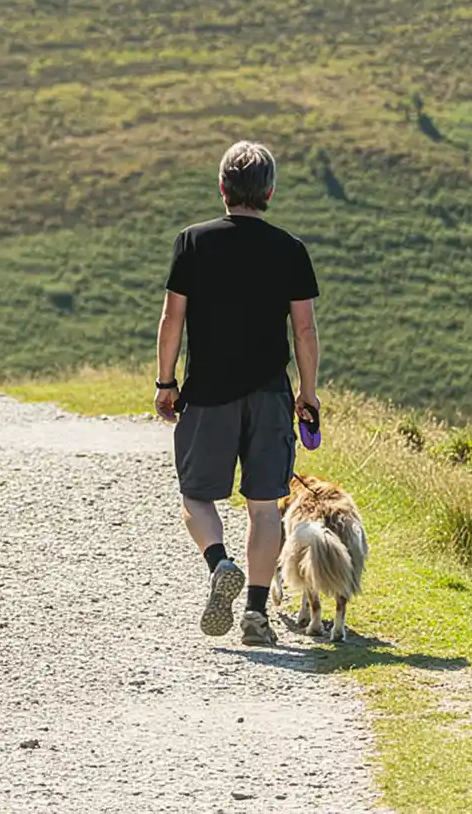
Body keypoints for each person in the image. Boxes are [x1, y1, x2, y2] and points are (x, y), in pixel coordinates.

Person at [153, 140, 322, 646]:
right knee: (264, 507)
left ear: (222, 187)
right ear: (269, 190)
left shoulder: (193, 242)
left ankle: (218, 561)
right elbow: (305, 332)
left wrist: (166, 383)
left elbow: (172, 319)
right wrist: (307, 394)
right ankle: (254, 613)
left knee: (196, 494)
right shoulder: (290, 249)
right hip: (270, 394)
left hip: (207, 394)